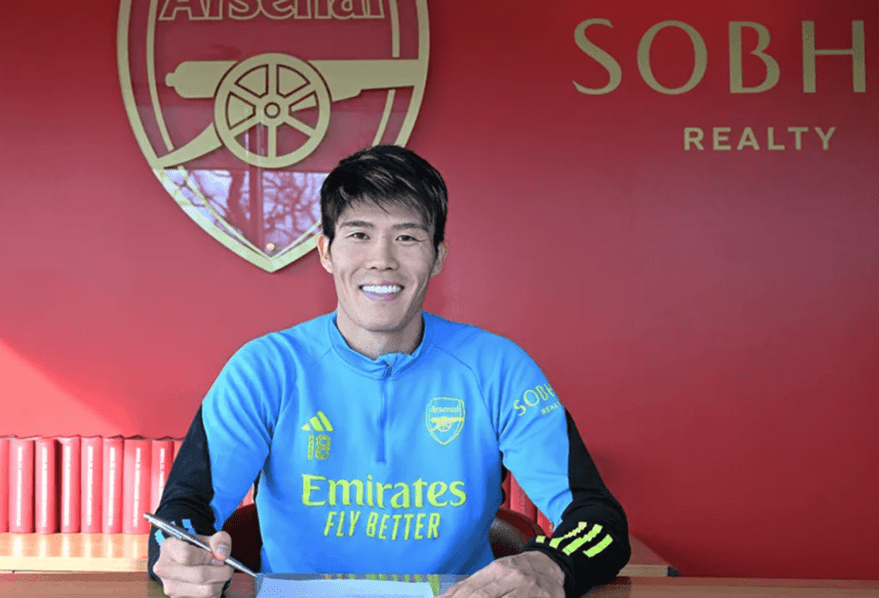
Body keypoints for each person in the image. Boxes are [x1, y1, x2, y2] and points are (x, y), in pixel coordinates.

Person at [148, 145, 630, 598]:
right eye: (359, 235)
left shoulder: (500, 369)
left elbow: (598, 521)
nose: (382, 259)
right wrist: (178, 555)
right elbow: (180, 518)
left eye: (407, 236)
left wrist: (548, 565)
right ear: (326, 251)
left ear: (437, 255)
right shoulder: (264, 369)